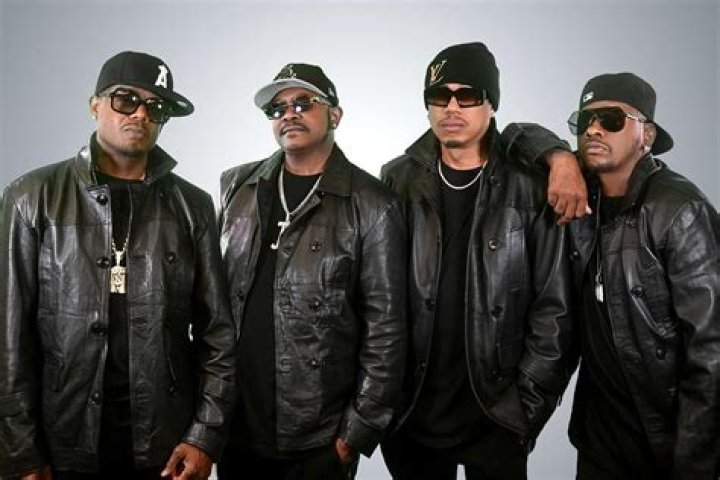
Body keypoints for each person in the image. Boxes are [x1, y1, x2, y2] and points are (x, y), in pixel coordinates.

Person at [0, 51, 236, 480]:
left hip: (164, 446)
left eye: (155, 106)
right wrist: (20, 451)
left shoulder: (193, 206)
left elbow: (217, 334)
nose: (140, 114)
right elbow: (8, 337)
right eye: (126, 99)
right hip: (61, 438)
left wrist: (205, 437)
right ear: (95, 105)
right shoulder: (31, 197)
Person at [379, 42, 577, 480]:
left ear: (491, 104)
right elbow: (377, 294)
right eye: (439, 96)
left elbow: (555, 309)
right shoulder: (398, 178)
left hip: (497, 417)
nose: (452, 107)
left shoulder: (529, 185)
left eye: (467, 95)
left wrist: (523, 410)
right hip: (412, 415)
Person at [217, 63, 407, 479]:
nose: (289, 114)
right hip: (235, 428)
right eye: (277, 108)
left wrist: (351, 438)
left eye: (303, 103)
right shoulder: (238, 187)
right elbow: (215, 310)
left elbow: (387, 333)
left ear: (334, 115)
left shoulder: (373, 205)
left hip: (318, 441)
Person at [559, 72, 718, 478]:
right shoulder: (581, 200)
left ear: (646, 135)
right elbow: (515, 138)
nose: (593, 129)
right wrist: (557, 158)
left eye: (612, 119)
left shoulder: (679, 210)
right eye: (584, 120)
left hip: (664, 443)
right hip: (597, 443)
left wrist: (695, 464)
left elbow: (711, 351)